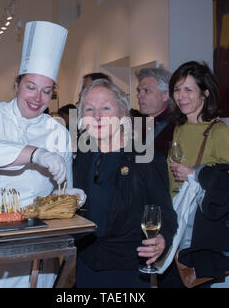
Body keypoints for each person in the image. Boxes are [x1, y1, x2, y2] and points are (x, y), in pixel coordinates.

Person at [0, 21, 74, 288]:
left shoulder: (58, 131)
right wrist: (35, 154)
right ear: (17, 84)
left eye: (47, 90)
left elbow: (63, 190)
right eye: (31, 86)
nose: (38, 97)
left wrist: (72, 198)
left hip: (31, 247)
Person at [73, 78, 177, 288]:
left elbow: (165, 212)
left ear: (123, 114)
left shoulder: (146, 158)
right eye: (89, 109)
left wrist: (162, 239)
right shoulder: (83, 157)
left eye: (105, 108)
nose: (97, 116)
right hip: (87, 262)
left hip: (128, 268)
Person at [159, 61, 229, 288]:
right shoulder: (179, 127)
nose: (181, 96)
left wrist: (195, 174)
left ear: (205, 93)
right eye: (177, 90)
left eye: (188, 89)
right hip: (173, 223)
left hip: (196, 229)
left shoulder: (218, 131)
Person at [135, 68, 175, 157]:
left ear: (165, 95)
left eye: (146, 90)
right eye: (139, 90)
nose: (139, 95)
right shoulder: (135, 124)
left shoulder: (176, 128)